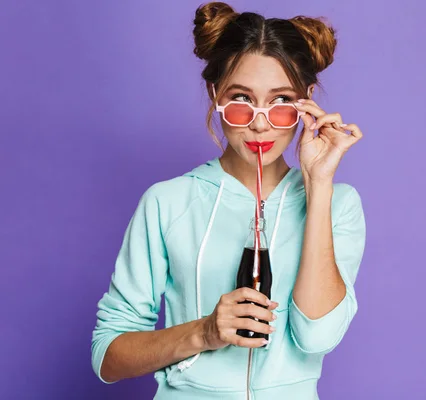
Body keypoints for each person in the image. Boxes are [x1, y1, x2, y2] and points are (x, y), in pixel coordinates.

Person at [91, 2, 366, 399]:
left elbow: (317, 336)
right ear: (214, 94)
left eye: (280, 102)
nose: (259, 122)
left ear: (306, 103)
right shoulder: (167, 202)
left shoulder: (339, 204)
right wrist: (203, 332)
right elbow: (107, 357)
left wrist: (319, 184)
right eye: (241, 99)